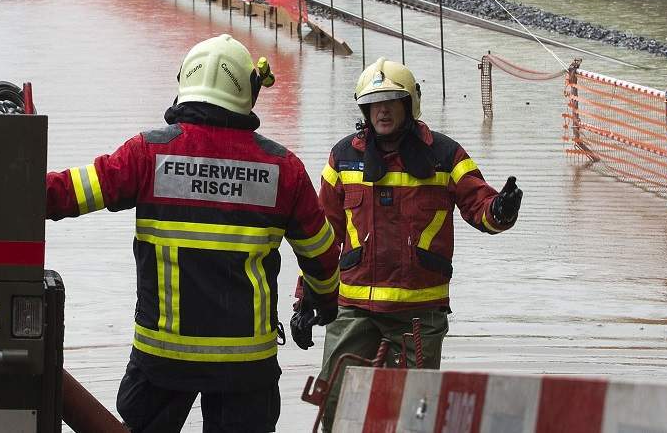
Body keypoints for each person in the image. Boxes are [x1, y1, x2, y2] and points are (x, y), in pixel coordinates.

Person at [45, 34, 342, 433]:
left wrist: (2, 189)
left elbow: (68, 193)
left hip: (162, 359)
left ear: (185, 82)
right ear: (248, 92)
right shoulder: (283, 169)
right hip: (245, 365)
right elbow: (321, 254)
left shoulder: (147, 154)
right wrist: (320, 301)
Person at [294, 57, 522, 430]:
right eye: (374, 104)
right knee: (336, 400)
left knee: (416, 415)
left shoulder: (445, 155)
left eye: (390, 102)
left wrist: (501, 209)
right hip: (354, 308)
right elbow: (323, 237)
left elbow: (479, 207)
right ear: (364, 110)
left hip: (419, 314)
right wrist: (306, 300)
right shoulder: (343, 158)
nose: (382, 111)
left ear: (408, 104)